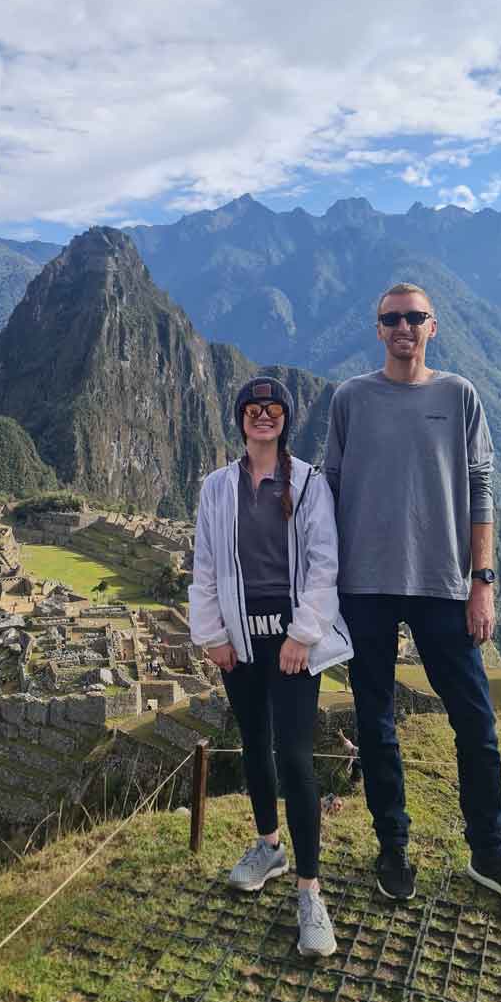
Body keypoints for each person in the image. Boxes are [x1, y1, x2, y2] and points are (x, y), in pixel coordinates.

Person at [324, 283, 501, 915]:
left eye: (414, 317)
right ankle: (393, 848)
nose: (403, 326)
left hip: (443, 584)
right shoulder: (350, 399)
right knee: (376, 723)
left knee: (475, 721)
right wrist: (320, 583)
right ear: (377, 328)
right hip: (363, 585)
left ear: (433, 326)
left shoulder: (458, 395)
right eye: (392, 318)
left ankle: (490, 853)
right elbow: (330, 489)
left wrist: (484, 582)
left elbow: (481, 489)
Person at [189, 376, 354, 956]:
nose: (263, 416)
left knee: (296, 757)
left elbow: (324, 564)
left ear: (286, 419)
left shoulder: (307, 483)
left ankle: (310, 891)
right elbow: (205, 564)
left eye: (273, 409)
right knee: (254, 744)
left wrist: (302, 634)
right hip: (238, 640)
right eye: (254, 409)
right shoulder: (216, 487)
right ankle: (268, 846)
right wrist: (212, 635)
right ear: (240, 419)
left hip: (291, 642)